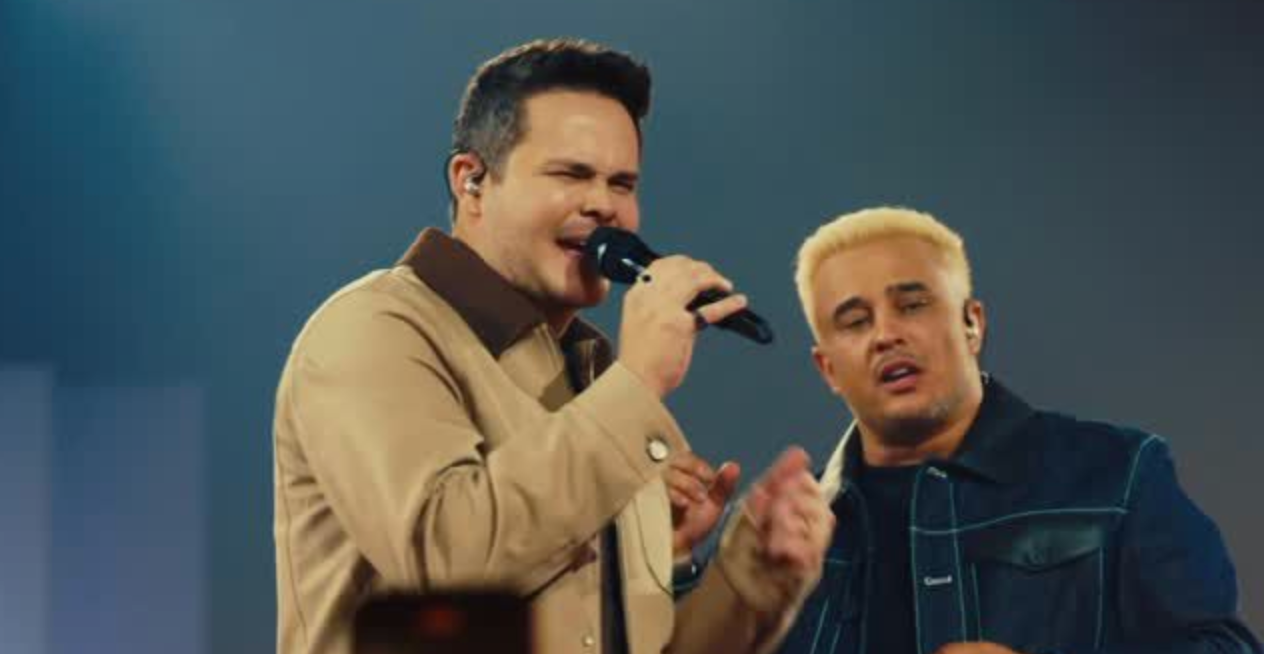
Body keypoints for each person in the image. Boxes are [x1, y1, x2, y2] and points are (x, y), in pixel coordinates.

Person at [272, 38, 832, 654]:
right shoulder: (374, 329)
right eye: (571, 174)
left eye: (622, 183)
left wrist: (752, 579)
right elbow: (445, 562)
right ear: (471, 181)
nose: (604, 205)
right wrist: (638, 387)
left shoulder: (591, 379)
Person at [775, 206, 1261, 654]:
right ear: (827, 369)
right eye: (856, 321)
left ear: (972, 324)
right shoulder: (778, 542)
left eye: (912, 305)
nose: (885, 335)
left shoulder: (1119, 474)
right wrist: (717, 583)